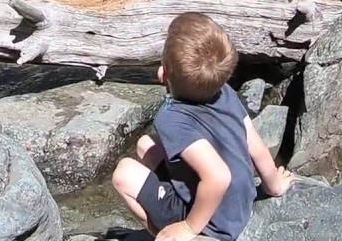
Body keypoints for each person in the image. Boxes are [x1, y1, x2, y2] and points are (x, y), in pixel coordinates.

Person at [111, 12, 294, 241]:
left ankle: (168, 235)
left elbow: (218, 176)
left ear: (163, 73)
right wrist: (274, 185)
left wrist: (189, 227)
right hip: (238, 205)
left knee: (123, 172)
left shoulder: (172, 119)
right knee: (145, 145)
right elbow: (255, 145)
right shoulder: (225, 92)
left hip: (213, 223)